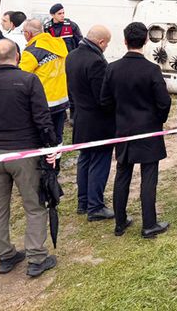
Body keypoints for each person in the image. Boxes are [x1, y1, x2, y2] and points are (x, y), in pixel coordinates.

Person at [0, 39, 59, 278]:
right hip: (25, 153)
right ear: (17, 56)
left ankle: (5, 255)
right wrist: (51, 148)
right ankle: (36, 258)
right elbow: (42, 117)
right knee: (35, 206)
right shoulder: (29, 81)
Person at [100, 22, 171, 239]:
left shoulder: (112, 68)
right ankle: (148, 224)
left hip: (125, 129)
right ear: (146, 40)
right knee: (148, 176)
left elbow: (105, 100)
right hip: (147, 129)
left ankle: (120, 222)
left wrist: (120, 116)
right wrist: (157, 120)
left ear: (125, 41)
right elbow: (164, 102)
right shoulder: (151, 70)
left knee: (123, 174)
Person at [65, 25, 116, 221]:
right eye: (107, 44)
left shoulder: (72, 56)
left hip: (80, 117)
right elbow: (102, 97)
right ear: (101, 42)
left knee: (84, 160)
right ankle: (95, 206)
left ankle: (83, 201)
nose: (106, 47)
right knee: (99, 162)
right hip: (98, 121)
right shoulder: (96, 61)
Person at [20, 19, 69, 146]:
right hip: (61, 99)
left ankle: (44, 163)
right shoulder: (59, 44)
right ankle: (56, 162)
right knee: (57, 135)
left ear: (28, 34)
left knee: (42, 136)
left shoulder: (31, 52)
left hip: (42, 103)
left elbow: (20, 76)